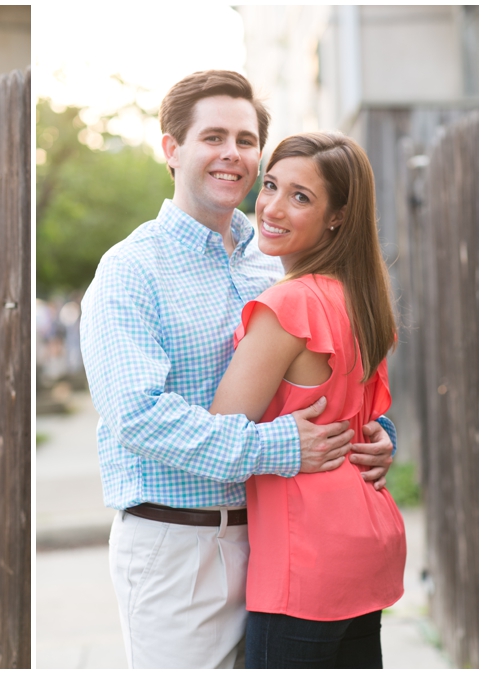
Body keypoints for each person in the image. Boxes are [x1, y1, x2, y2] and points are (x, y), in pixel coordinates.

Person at [79, 70, 397, 669]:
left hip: (279, 533)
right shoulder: (130, 270)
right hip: (180, 546)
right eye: (213, 137)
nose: (232, 154)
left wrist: (375, 437)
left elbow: (325, 373)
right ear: (172, 150)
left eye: (246, 140)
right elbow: (138, 418)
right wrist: (279, 448)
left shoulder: (276, 258)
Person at [209, 132, 406, 668]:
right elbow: (367, 415)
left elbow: (221, 429)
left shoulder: (288, 303)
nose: (271, 207)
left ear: (338, 216)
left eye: (301, 197)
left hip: (308, 558)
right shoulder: (362, 300)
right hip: (368, 539)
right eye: (270, 185)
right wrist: (385, 437)